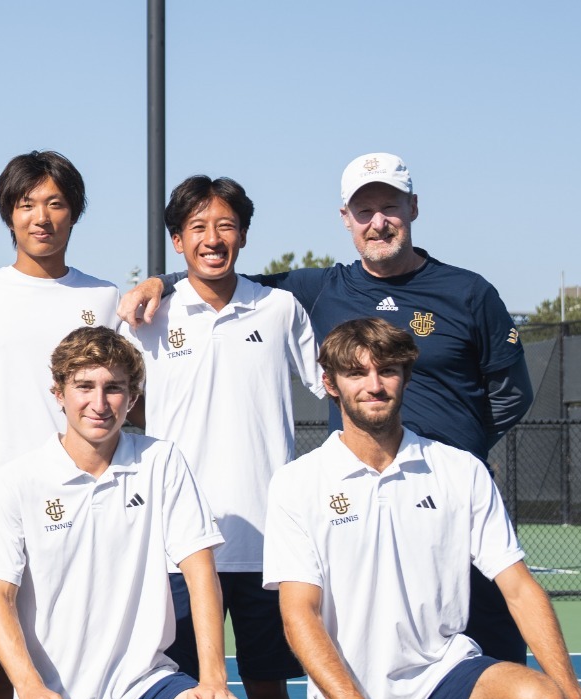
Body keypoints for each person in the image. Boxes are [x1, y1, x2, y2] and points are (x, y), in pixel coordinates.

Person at [122, 152, 534, 663]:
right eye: (365, 211)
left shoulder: (468, 292)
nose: (378, 222)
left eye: (390, 207)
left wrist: (460, 452)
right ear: (347, 218)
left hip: (451, 499)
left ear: (413, 208)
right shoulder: (314, 292)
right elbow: (216, 275)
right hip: (364, 505)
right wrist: (158, 280)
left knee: (493, 641)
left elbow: (512, 392)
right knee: (374, 647)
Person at [264, 318, 581, 699]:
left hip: (443, 673)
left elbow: (519, 588)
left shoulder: (460, 470)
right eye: (356, 373)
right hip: (353, 695)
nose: (374, 385)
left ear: (406, 377)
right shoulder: (297, 483)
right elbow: (300, 614)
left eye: (387, 371)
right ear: (330, 384)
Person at [122, 175, 319, 699]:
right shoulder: (149, 315)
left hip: (267, 544)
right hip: (175, 544)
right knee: (183, 695)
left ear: (245, 235)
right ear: (178, 242)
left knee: (269, 689)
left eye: (226, 226)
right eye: (198, 227)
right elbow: (102, 398)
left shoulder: (280, 308)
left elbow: (338, 386)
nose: (213, 238)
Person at [0, 328, 243, 699]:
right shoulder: (17, 480)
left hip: (145, 688)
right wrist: (30, 687)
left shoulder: (162, 461)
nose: (99, 403)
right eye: (84, 386)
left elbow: (200, 570)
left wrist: (213, 679)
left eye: (114, 388)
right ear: (58, 393)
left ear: (132, 397)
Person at [0, 150, 121, 699]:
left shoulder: (107, 299)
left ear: (74, 214)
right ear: (9, 215)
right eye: (26, 205)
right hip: (3, 511)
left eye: (55, 203)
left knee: (96, 663)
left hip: (94, 507)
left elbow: (124, 402)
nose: (40, 217)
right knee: (0, 667)